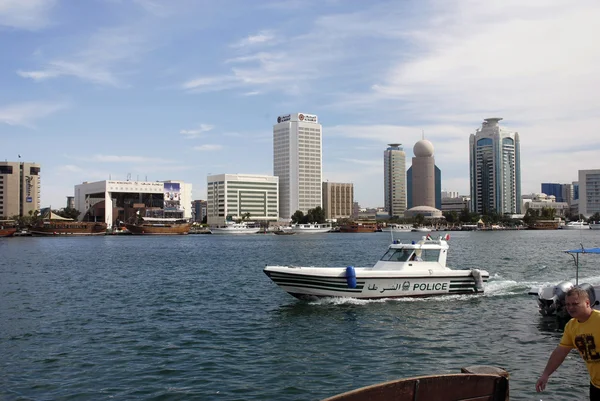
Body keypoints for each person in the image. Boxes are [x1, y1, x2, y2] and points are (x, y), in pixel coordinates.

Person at [536, 287, 600, 400]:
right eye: (568, 304)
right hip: (596, 385)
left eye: (575, 304)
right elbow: (561, 352)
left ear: (587, 303)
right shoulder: (571, 326)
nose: (570, 308)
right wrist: (545, 374)